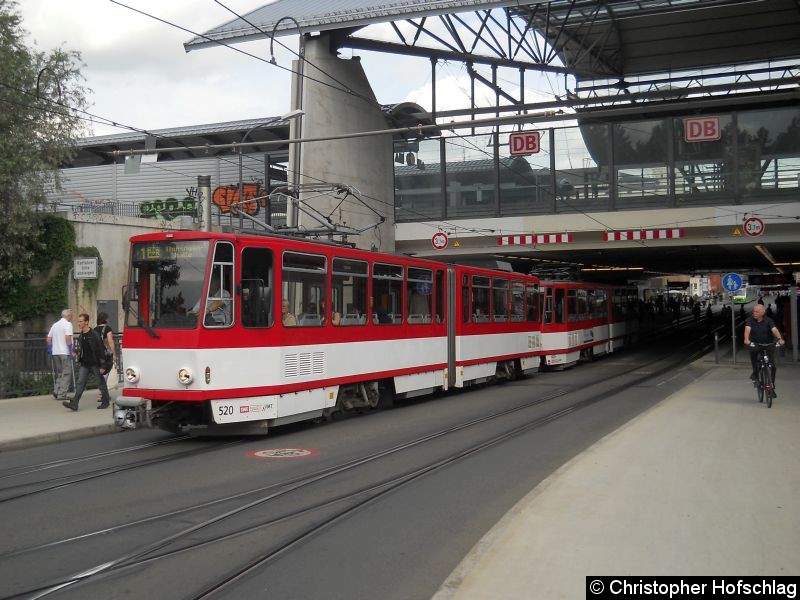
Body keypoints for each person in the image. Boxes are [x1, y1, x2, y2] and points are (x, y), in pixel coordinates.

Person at [63, 313, 111, 411]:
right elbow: (83, 349)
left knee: (100, 383)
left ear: (86, 322)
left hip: (95, 364)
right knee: (80, 383)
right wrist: (76, 352)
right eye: (78, 321)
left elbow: (101, 350)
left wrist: (102, 365)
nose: (79, 323)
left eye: (81, 321)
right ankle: (74, 403)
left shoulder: (94, 334)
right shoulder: (81, 336)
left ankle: (106, 401)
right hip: (85, 364)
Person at [743, 303, 785, 391]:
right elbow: (747, 329)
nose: (754, 313)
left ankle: (771, 384)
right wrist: (747, 339)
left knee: (772, 366)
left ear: (762, 313)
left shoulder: (768, 320)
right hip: (755, 344)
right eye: (754, 311)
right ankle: (755, 376)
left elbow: (774, 330)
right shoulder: (750, 320)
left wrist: (779, 339)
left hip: (768, 344)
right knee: (755, 361)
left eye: (757, 312)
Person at [47, 309, 73, 402]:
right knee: (67, 373)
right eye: (71, 315)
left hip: (55, 352)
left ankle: (56, 390)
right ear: (68, 316)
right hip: (64, 352)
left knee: (60, 372)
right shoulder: (68, 324)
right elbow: (68, 338)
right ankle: (62, 394)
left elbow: (49, 338)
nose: (72, 317)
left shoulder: (55, 325)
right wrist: (70, 350)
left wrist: (50, 349)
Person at [94, 312, 117, 402]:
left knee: (100, 372)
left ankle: (102, 392)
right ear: (105, 319)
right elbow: (110, 341)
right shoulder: (107, 328)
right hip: (105, 354)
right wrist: (114, 353)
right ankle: (102, 393)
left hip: (96, 354)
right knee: (106, 372)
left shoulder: (94, 329)